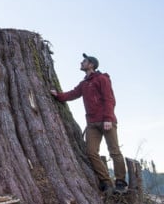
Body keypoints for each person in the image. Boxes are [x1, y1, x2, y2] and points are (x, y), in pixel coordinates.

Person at [50, 53, 127, 194]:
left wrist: (108, 119)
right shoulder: (84, 83)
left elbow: (109, 99)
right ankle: (106, 181)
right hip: (92, 124)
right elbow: (73, 94)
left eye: (84, 61)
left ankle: (120, 182)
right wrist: (58, 95)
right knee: (91, 152)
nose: (81, 62)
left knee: (114, 151)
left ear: (91, 64)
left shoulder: (102, 79)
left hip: (106, 121)